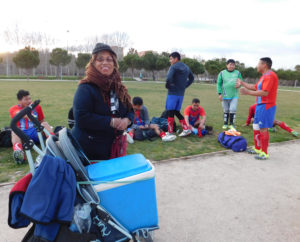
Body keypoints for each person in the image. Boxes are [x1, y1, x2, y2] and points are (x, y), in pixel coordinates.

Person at [72, 43, 134, 160]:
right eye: (100, 59)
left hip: (112, 147)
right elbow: (81, 117)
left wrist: (127, 120)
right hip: (87, 151)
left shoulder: (119, 88)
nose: (105, 62)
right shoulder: (86, 87)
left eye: (109, 59)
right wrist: (111, 122)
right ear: (93, 63)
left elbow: (130, 110)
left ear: (114, 64)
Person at [236, 57, 278, 160]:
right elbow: (255, 87)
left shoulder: (270, 76)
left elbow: (265, 92)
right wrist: (242, 83)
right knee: (255, 125)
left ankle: (264, 153)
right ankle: (258, 148)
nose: (257, 66)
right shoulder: (264, 76)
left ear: (264, 65)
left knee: (263, 128)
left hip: (267, 105)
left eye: (258, 63)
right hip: (260, 105)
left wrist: (247, 92)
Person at [9, 90, 54, 164]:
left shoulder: (37, 107)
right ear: (19, 101)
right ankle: (19, 153)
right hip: (23, 135)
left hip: (36, 132)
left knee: (45, 124)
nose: (29, 101)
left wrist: (46, 129)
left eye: (30, 98)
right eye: (26, 99)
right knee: (14, 131)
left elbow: (41, 120)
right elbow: (18, 114)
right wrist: (28, 115)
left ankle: (54, 144)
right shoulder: (13, 109)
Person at [164, 51, 194, 141]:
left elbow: (169, 78)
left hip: (172, 92)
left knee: (170, 111)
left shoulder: (173, 67)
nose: (170, 61)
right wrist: (185, 86)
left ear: (176, 58)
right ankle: (186, 129)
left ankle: (170, 132)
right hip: (181, 94)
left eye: (171, 59)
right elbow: (192, 78)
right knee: (176, 111)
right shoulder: (186, 67)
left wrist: (168, 85)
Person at [217, 59, 243, 130]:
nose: (231, 66)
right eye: (230, 64)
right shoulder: (222, 73)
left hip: (234, 95)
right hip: (224, 95)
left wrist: (239, 85)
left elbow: (241, 82)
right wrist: (219, 94)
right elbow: (218, 84)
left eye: (233, 65)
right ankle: (225, 123)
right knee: (226, 110)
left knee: (233, 109)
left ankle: (231, 124)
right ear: (227, 65)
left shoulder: (237, 73)